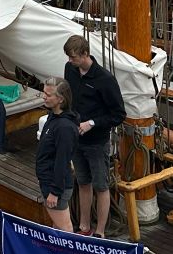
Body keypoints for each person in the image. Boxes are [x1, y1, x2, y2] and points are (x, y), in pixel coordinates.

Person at [63, 34, 126, 238]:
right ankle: (84, 227)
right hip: (76, 139)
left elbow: (118, 115)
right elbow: (68, 97)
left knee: (101, 185)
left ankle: (100, 232)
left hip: (97, 142)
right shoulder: (70, 70)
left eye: (73, 57)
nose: (70, 61)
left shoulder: (105, 80)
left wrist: (91, 124)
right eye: (69, 57)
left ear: (85, 54)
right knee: (82, 181)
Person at [36, 77, 79, 232]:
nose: (44, 97)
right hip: (48, 180)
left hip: (55, 185)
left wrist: (55, 192)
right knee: (58, 226)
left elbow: (62, 160)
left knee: (65, 227)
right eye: (44, 93)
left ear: (60, 99)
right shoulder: (53, 118)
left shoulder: (64, 127)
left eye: (48, 95)